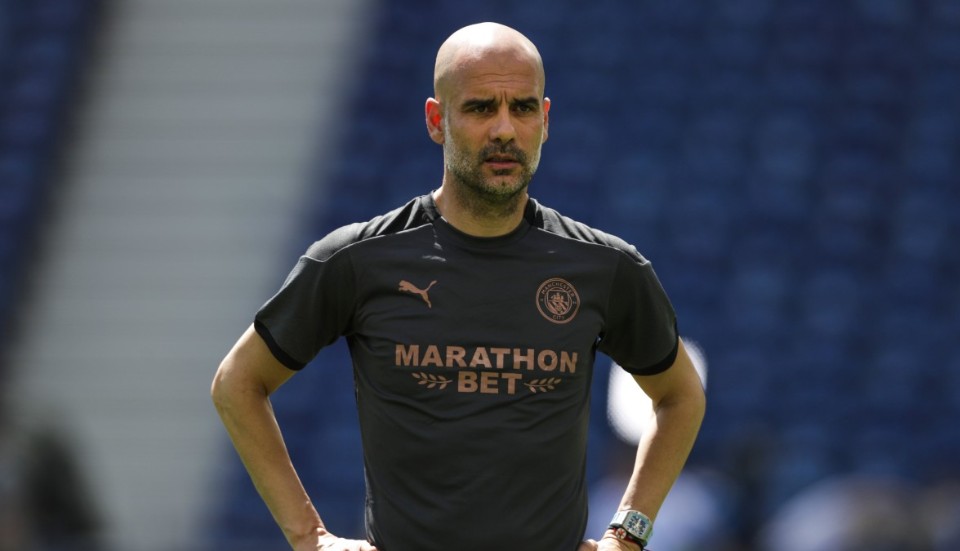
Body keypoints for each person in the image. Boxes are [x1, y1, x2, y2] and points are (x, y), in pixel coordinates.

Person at [211, 22, 705, 551]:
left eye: (522, 107)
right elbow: (238, 383)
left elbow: (679, 396)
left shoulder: (606, 267)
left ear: (545, 120)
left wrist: (627, 535)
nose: (504, 130)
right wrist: (310, 537)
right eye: (479, 108)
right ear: (435, 120)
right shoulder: (356, 259)